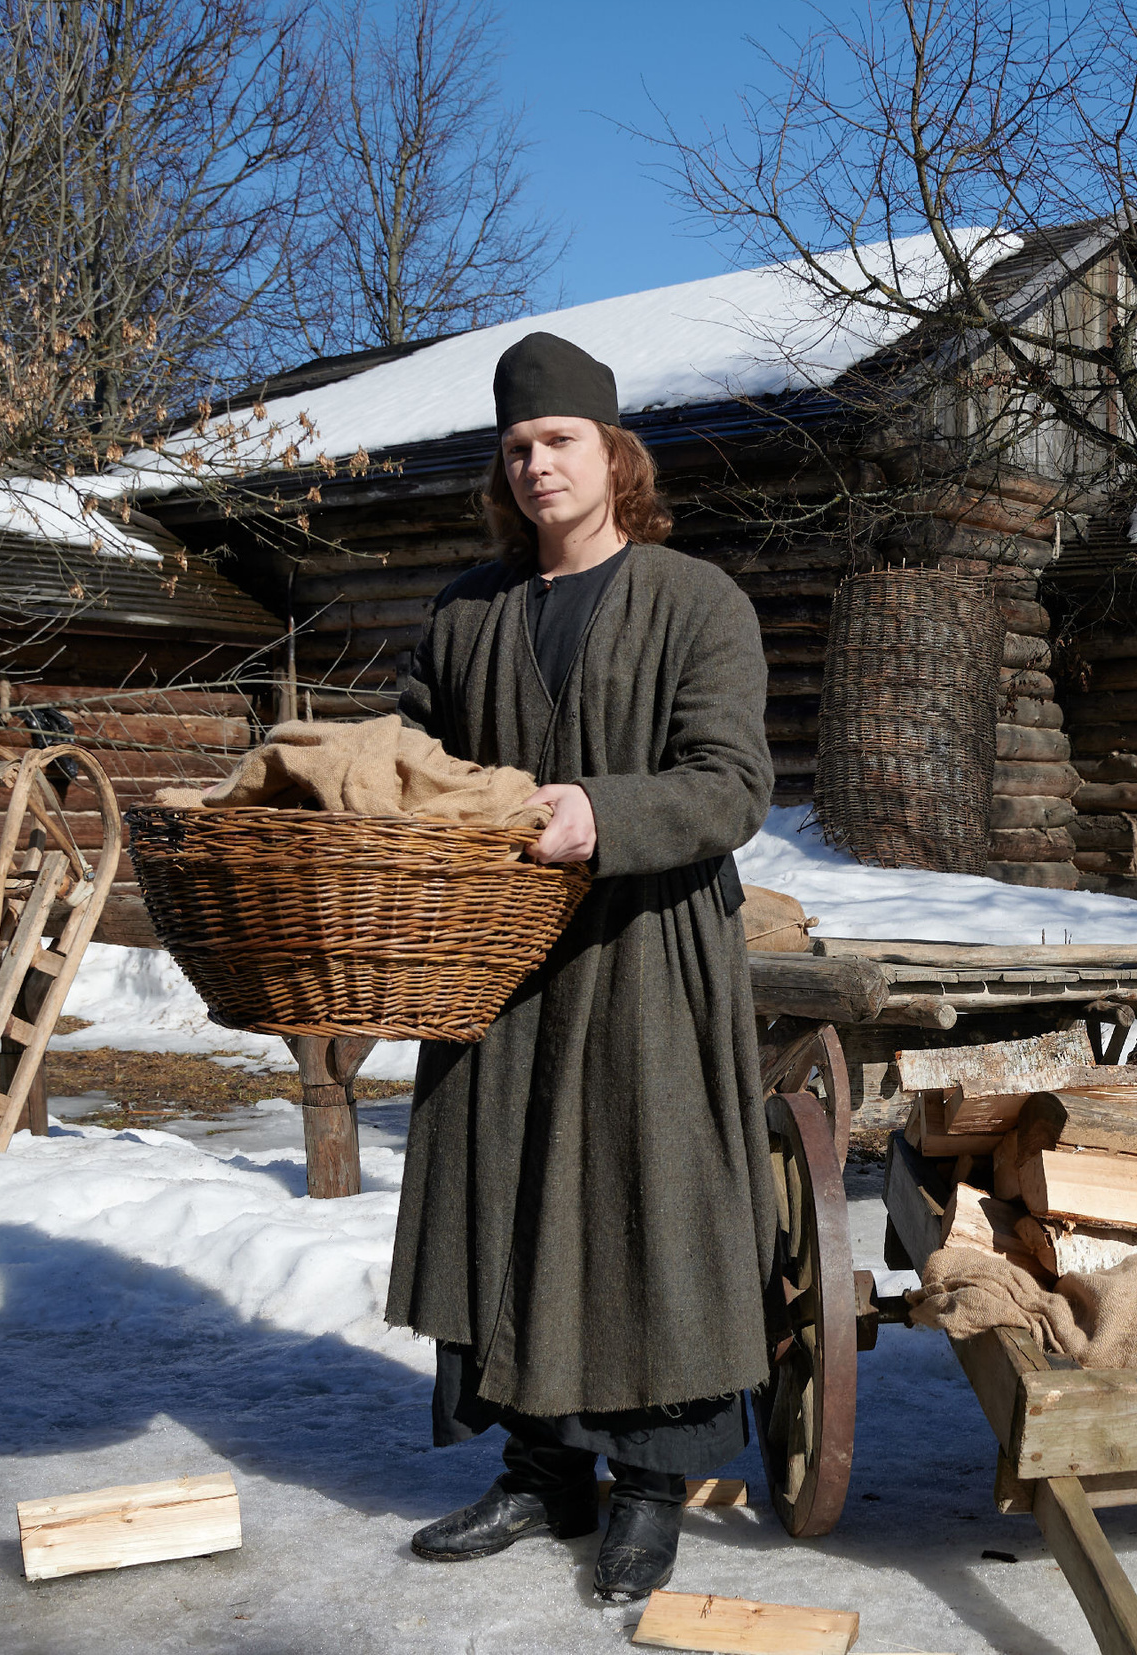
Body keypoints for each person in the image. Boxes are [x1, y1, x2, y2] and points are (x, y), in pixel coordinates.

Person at [385, 331, 778, 1603]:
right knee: (501, 1193)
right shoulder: (466, 613)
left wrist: (602, 816)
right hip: (490, 959)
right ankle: (542, 1471)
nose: (534, 465)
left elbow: (731, 785)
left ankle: (652, 1486)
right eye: (514, 449)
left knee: (643, 1199)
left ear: (613, 455)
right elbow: (406, 761)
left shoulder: (695, 599)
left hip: (646, 951)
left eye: (556, 441)